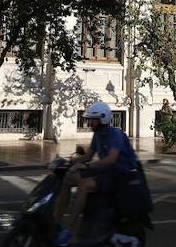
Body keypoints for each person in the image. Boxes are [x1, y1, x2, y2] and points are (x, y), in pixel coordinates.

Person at [53, 101, 138, 246]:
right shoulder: (98, 135)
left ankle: (70, 232)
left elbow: (111, 160)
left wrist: (86, 167)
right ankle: (55, 222)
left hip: (121, 175)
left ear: (103, 119)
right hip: (106, 172)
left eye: (93, 120)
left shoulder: (116, 134)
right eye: (89, 120)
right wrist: (70, 161)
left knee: (84, 185)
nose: (89, 123)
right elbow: (87, 156)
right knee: (68, 179)